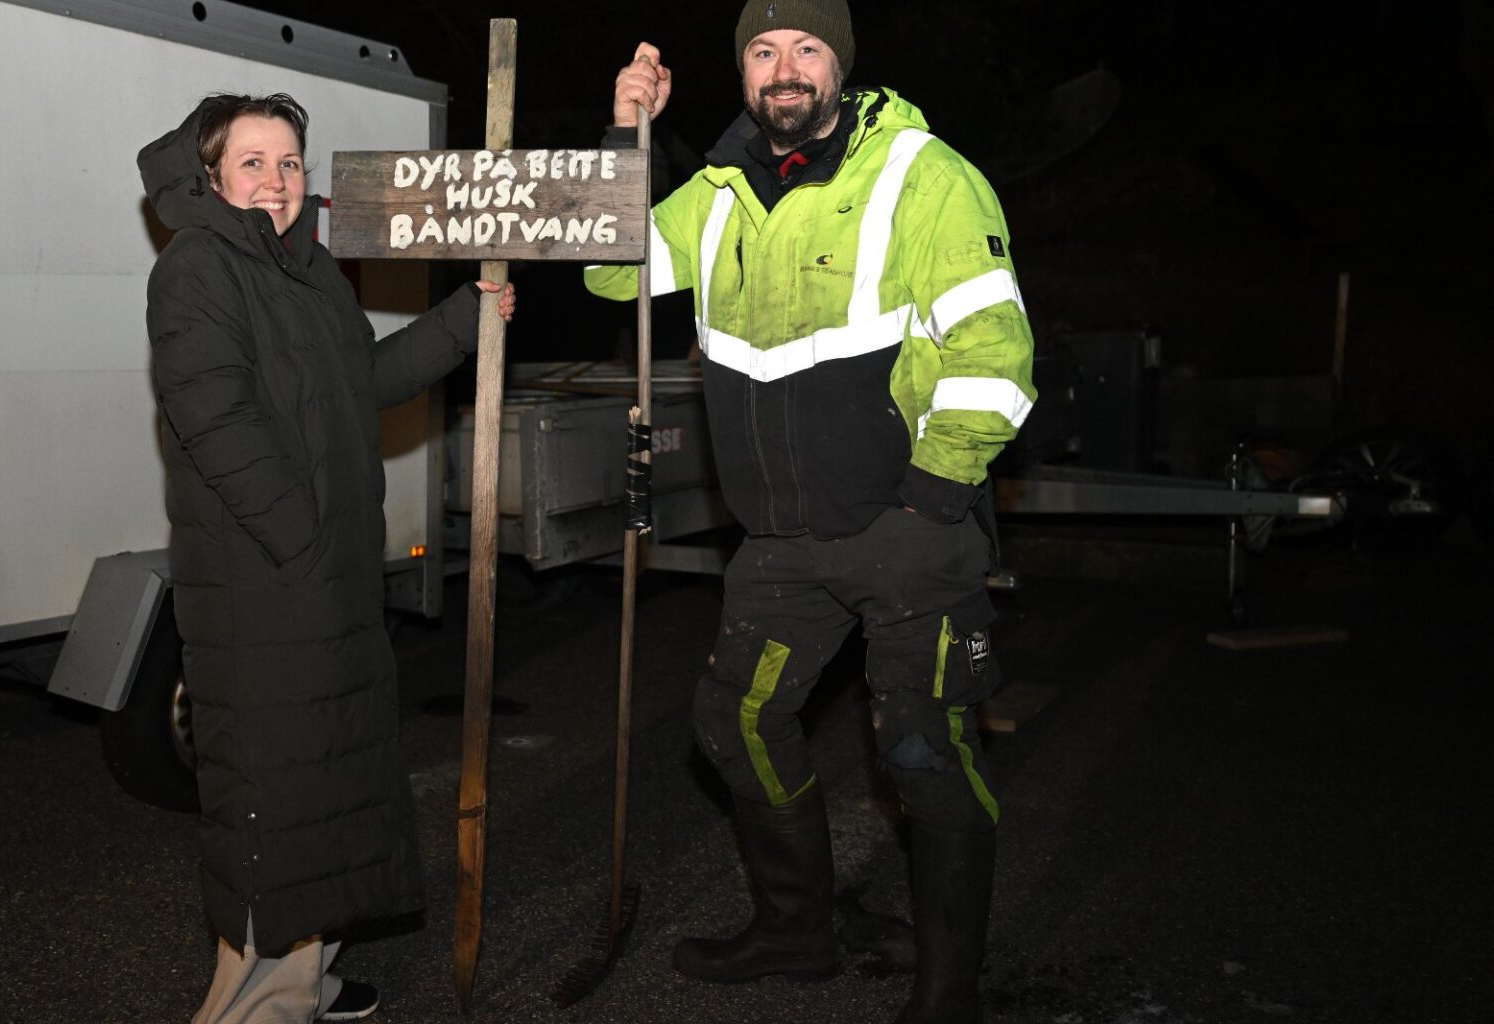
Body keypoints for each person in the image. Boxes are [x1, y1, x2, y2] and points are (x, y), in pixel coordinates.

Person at [586, 4, 1035, 1021]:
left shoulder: (923, 174)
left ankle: (946, 993)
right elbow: (614, 270)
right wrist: (629, 136)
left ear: (839, 64)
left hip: (907, 531)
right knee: (733, 721)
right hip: (781, 542)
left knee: (923, 752)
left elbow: (995, 352)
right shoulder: (719, 189)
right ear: (742, 71)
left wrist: (934, 491)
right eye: (762, 50)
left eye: (806, 48)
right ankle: (800, 933)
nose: (784, 68)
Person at [137, 93, 514, 1024]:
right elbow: (214, 418)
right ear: (212, 175)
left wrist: (468, 317)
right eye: (255, 162)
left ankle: (313, 975)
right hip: (267, 585)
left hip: (323, 573)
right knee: (280, 800)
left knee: (333, 782)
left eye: (291, 163)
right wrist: (303, 546)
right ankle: (259, 1007)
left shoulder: (307, 272)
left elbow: (366, 380)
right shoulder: (198, 268)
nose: (277, 181)